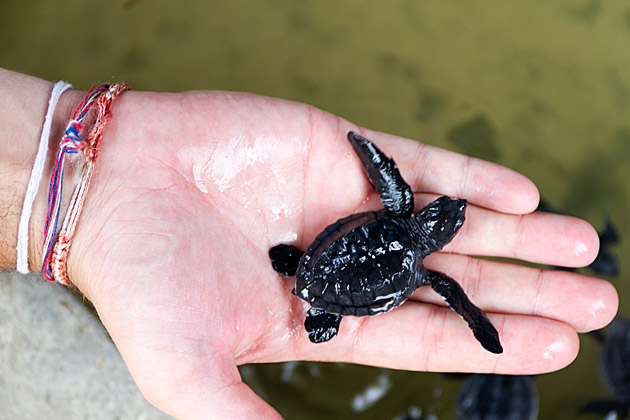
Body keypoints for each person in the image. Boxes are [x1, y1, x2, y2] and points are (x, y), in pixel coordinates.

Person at [0, 68, 618, 419]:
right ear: (437, 232)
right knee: (365, 294)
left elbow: (386, 177)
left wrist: (363, 146)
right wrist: (482, 330)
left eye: (449, 216)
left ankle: (306, 279)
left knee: (324, 269)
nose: (449, 213)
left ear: (433, 224)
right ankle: (311, 290)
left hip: (326, 261)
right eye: (451, 215)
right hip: (347, 279)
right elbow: (459, 298)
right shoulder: (426, 275)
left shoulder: (402, 213)